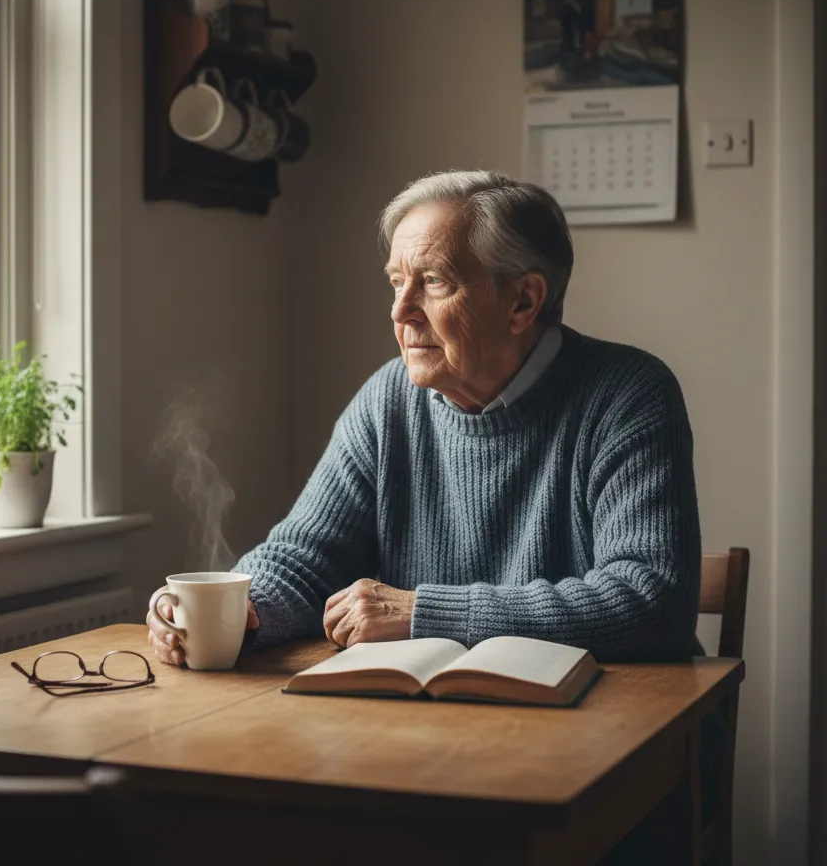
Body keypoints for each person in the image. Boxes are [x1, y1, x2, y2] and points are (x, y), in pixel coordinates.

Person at [147, 170, 701, 666]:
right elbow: (304, 555)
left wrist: (425, 612)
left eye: (434, 281)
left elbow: (650, 600)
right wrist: (239, 609)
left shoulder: (627, 393)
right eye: (396, 281)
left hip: (605, 730)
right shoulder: (388, 399)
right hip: (425, 724)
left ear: (523, 303)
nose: (400, 310)